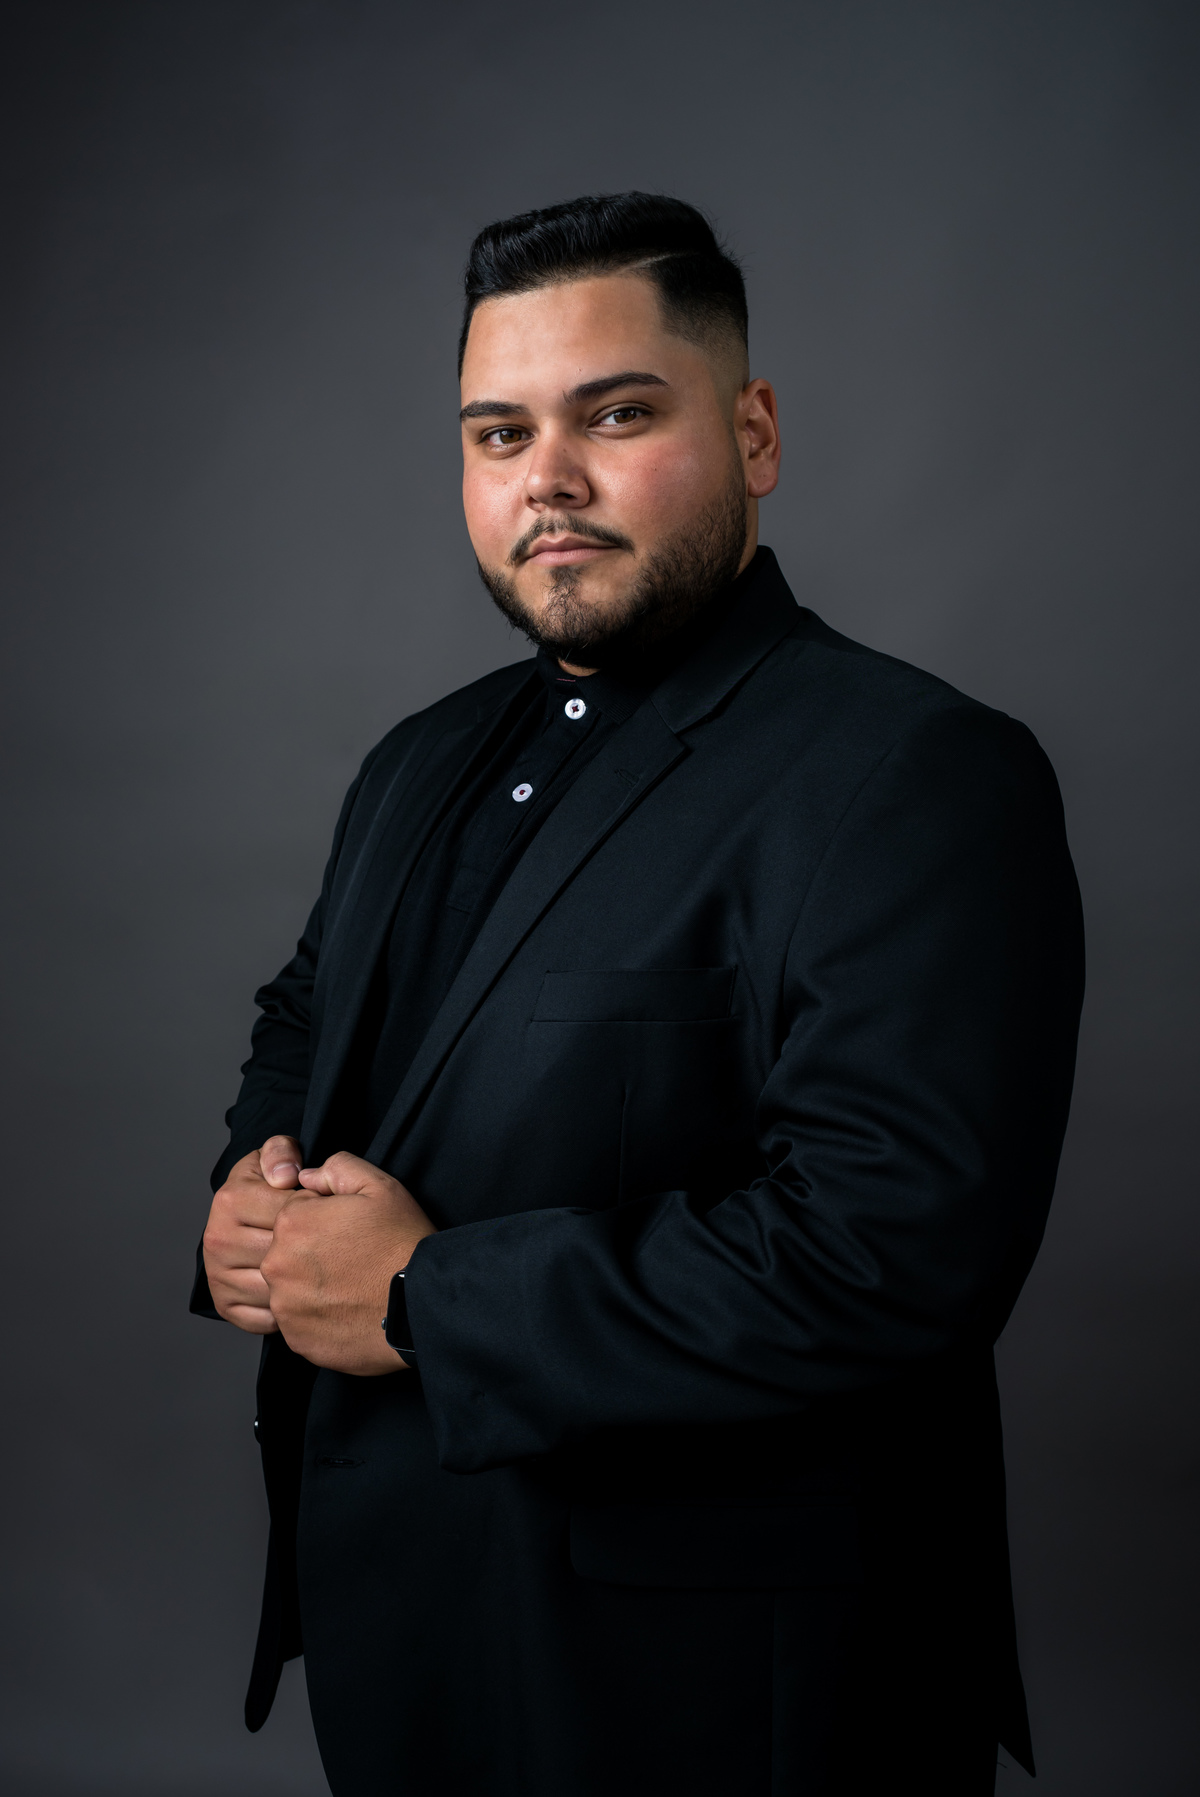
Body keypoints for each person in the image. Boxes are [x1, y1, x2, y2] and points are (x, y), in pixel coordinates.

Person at [194, 192, 1084, 1797]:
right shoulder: (416, 759)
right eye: (498, 432)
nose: (547, 476)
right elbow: (312, 1017)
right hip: (411, 1640)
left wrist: (420, 1296)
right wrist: (252, 1187)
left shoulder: (917, 772)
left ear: (754, 433)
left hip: (718, 1695)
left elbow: (888, 1252)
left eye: (614, 415)